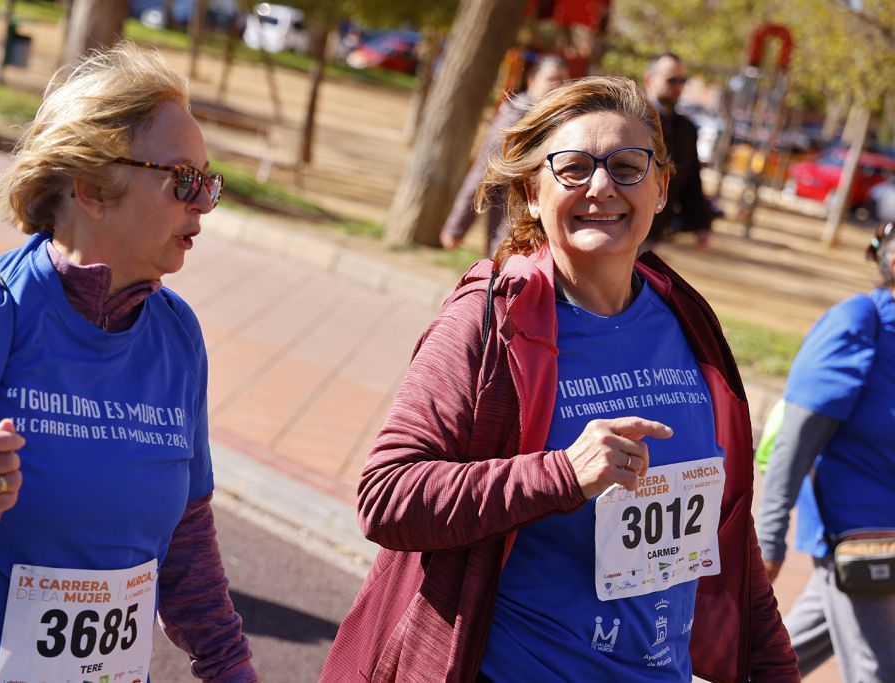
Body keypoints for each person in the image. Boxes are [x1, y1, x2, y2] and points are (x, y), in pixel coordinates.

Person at [322, 76, 796, 682]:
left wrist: (776, 668)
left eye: (628, 166)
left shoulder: (689, 320)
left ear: (660, 189)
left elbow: (722, 527)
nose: (602, 187)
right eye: (573, 168)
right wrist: (564, 474)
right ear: (533, 190)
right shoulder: (494, 319)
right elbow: (388, 496)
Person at [0, 43, 256, 681]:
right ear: (91, 189)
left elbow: (185, 534)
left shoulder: (177, 336)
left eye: (210, 182)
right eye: (184, 180)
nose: (204, 204)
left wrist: (228, 664)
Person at [755, 220, 895, 682]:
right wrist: (770, 539)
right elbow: (796, 439)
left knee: (778, 663)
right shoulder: (860, 323)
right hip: (864, 538)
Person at [440, 55, 571, 256]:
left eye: (563, 80)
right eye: (552, 79)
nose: (558, 85)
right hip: (511, 224)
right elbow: (485, 171)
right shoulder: (516, 117)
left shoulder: (558, 120)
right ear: (532, 80)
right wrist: (457, 226)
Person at [643, 53, 714, 250]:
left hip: (654, 230)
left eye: (683, 80)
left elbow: (691, 179)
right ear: (649, 79)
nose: (678, 87)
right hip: (621, 225)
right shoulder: (632, 121)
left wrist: (701, 224)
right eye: (671, 80)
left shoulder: (686, 128)